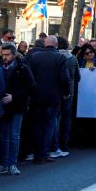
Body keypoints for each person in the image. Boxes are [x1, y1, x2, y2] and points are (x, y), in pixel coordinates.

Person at [28, 35, 70, 165]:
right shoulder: (60, 57)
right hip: (53, 97)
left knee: (38, 125)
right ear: (56, 45)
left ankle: (37, 153)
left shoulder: (34, 57)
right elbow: (65, 78)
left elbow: (30, 76)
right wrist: (66, 93)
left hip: (37, 97)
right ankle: (44, 153)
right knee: (49, 125)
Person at [0, 43, 34, 176]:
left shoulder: (22, 67)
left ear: (13, 54)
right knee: (3, 136)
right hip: (3, 106)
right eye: (3, 55)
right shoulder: (0, 67)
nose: (5, 57)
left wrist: (14, 96)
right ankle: (3, 164)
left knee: (14, 135)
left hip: (18, 106)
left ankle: (12, 163)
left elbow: (31, 86)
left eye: (7, 55)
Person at [51, 36, 78, 159]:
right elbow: (77, 77)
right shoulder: (72, 59)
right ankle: (65, 144)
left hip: (56, 92)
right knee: (67, 119)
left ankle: (54, 145)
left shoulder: (54, 58)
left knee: (56, 119)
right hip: (69, 92)